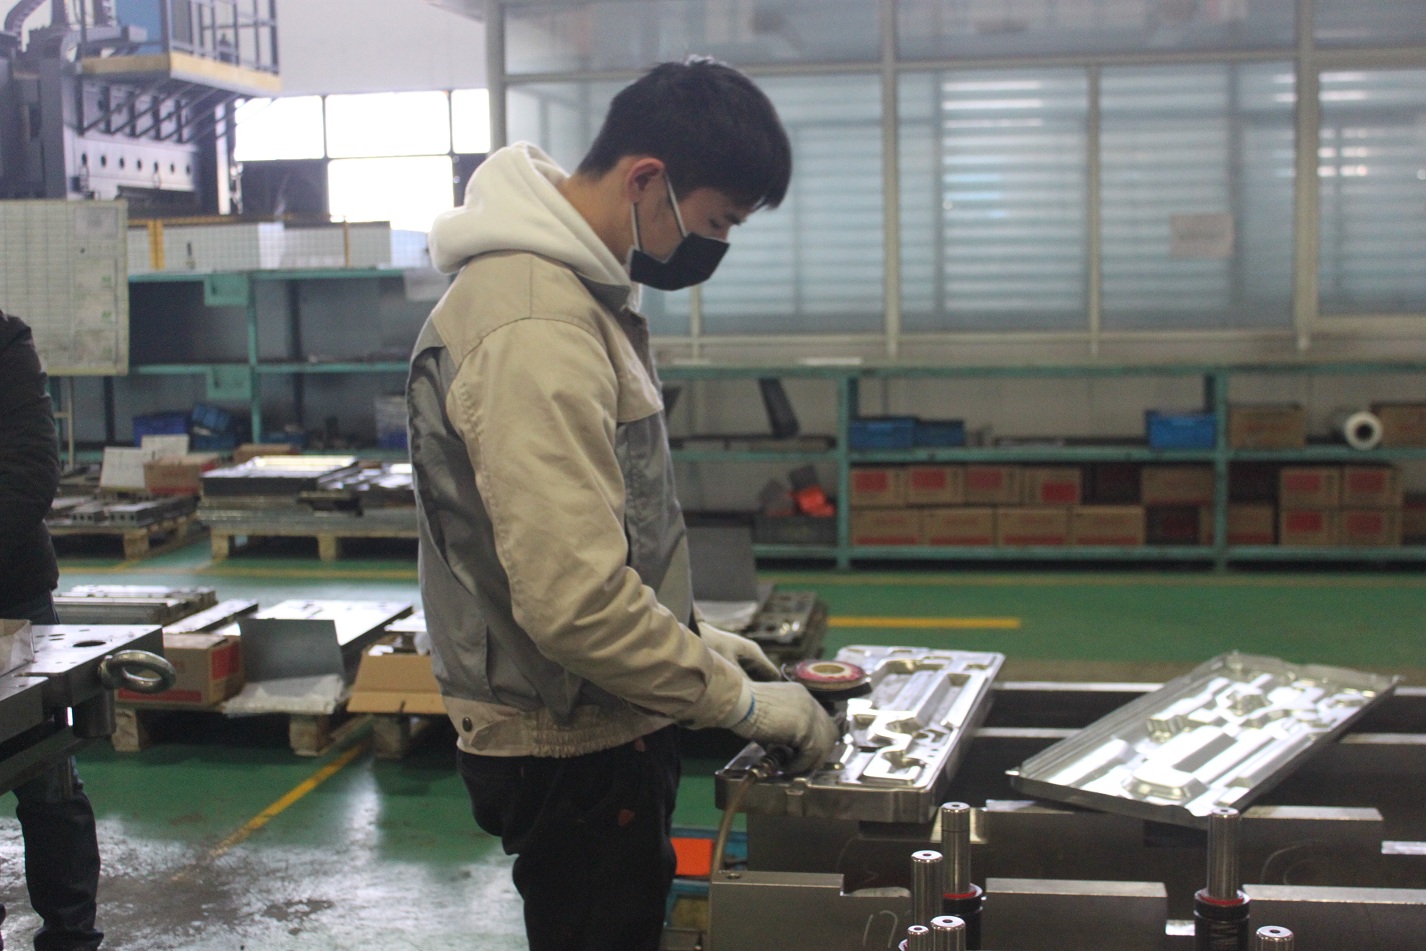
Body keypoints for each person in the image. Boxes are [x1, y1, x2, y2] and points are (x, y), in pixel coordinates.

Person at [408, 57, 838, 950]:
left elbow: (595, 533)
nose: (712, 247)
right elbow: (575, 605)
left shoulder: (571, 295)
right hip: (569, 744)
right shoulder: (536, 325)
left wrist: (694, 634)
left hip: (598, 717)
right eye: (715, 222)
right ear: (646, 180)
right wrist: (738, 701)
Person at [0, 310, 104, 951]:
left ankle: (69, 937)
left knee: (46, 778)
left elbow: (31, 469)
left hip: (9, 596)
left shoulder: (4, 341)